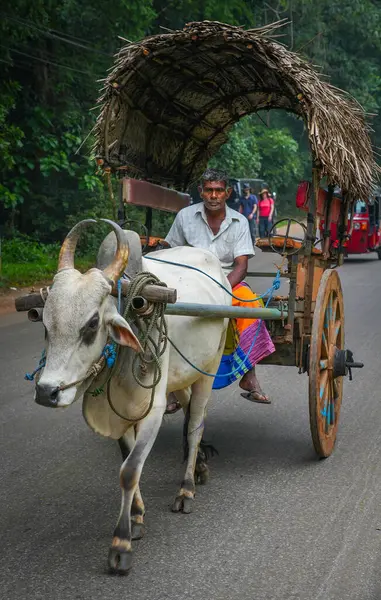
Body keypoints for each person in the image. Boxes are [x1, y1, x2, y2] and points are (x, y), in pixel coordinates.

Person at [164, 168, 275, 413]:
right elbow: (171, 253)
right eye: (208, 190)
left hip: (229, 282)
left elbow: (241, 265)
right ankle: (171, 387)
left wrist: (221, 289)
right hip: (188, 282)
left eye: (218, 190)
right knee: (168, 311)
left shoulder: (239, 221)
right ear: (201, 192)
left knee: (250, 304)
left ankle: (249, 375)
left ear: (227, 192)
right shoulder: (184, 217)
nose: (213, 195)